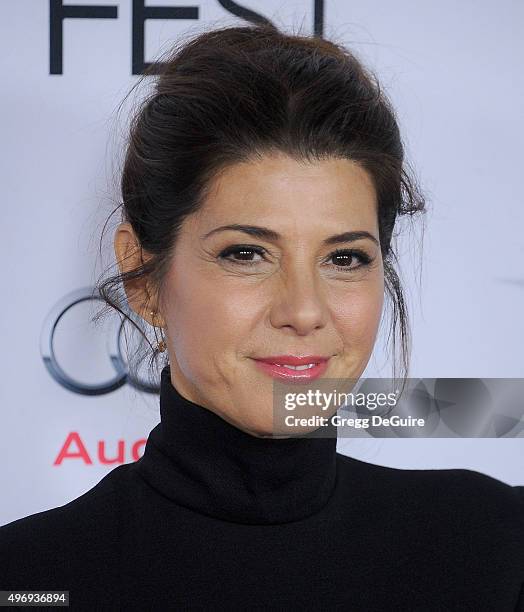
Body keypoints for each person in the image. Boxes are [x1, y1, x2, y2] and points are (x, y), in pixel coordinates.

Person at [1, 22, 523, 611]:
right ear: (143, 278)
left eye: (345, 257)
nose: (303, 310)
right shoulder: (29, 576)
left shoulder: (494, 544)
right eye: (246, 254)